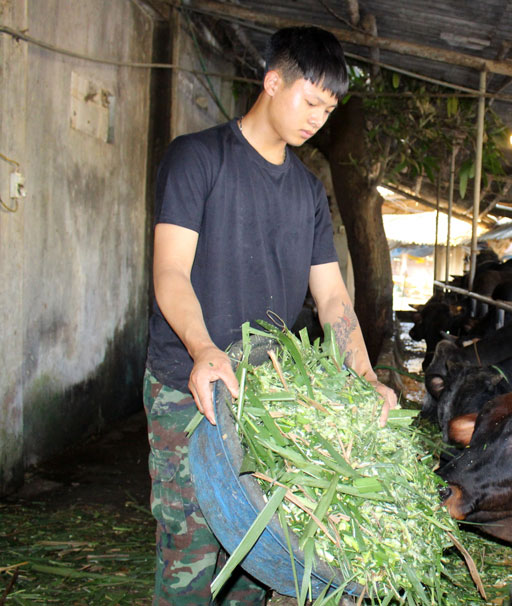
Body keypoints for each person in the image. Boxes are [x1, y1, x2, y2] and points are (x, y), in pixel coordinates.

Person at [143, 26, 398, 605]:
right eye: (310, 101)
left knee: (260, 554)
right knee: (191, 548)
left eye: (328, 110)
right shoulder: (197, 157)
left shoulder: (308, 193)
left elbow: (333, 300)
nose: (317, 119)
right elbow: (170, 274)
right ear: (272, 80)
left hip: (266, 395)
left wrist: (367, 377)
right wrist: (204, 349)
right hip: (192, 385)